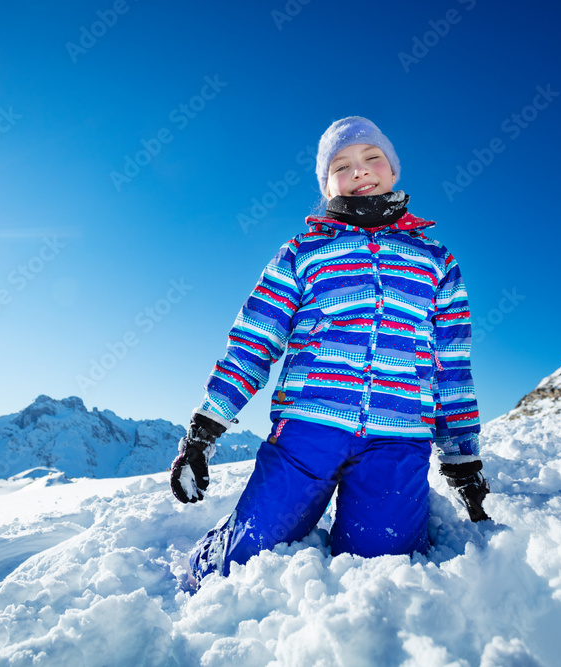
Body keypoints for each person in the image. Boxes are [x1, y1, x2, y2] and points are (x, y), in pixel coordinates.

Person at [170, 116, 490, 586]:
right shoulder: (303, 251)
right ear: (326, 184)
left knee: (380, 572)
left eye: (372, 157)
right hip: (307, 430)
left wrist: (463, 460)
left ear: (393, 169)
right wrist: (203, 432)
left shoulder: (436, 260)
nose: (359, 170)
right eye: (341, 165)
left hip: (398, 439)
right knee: (242, 564)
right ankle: (220, 549)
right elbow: (254, 342)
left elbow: (452, 368)